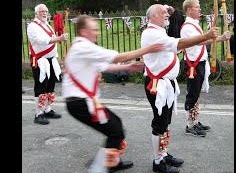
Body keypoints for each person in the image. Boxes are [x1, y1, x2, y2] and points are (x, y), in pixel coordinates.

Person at [62, 15, 164, 173]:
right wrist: (147, 49)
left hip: (84, 102)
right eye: (94, 29)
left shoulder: (82, 47)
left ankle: (113, 163)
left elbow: (105, 66)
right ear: (83, 31)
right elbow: (116, 57)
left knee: (116, 126)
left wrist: (128, 67)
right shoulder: (83, 47)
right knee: (115, 130)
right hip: (79, 103)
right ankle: (101, 168)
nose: (97, 32)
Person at [141, 4, 219, 173]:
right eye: (162, 13)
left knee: (166, 122)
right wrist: (206, 35)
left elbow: (172, 33)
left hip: (166, 83)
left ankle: (163, 154)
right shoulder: (151, 33)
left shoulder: (159, 30)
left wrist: (168, 12)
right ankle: (157, 162)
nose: (166, 14)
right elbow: (179, 43)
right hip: (157, 85)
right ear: (153, 16)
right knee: (160, 123)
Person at [180, 0, 230, 137]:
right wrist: (219, 38)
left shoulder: (194, 24)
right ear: (189, 10)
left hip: (199, 63)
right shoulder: (188, 26)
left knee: (196, 95)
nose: (200, 9)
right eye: (197, 7)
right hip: (193, 65)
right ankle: (189, 126)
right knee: (192, 95)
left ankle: (195, 121)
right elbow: (200, 41)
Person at [27, 4, 68, 125]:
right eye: (42, 11)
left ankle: (47, 109)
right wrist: (58, 39)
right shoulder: (32, 26)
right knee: (41, 86)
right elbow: (40, 40)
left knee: (50, 86)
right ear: (36, 13)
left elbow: (53, 38)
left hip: (50, 59)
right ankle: (38, 114)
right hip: (39, 60)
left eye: (46, 11)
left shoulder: (47, 25)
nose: (45, 13)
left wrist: (59, 38)